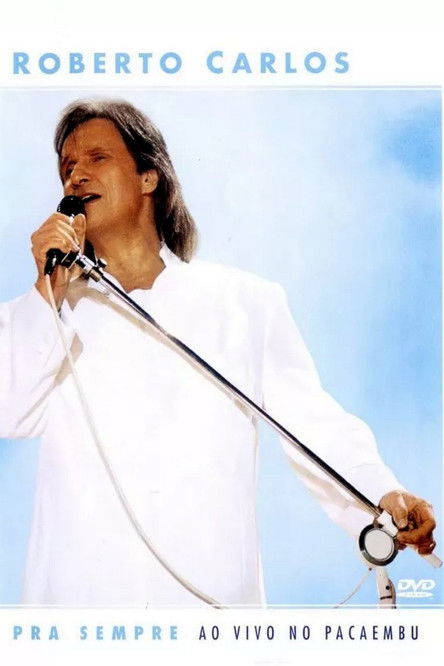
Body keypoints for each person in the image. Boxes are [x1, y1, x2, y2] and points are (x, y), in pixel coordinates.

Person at [0, 99, 437, 606]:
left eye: (97, 158)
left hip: (208, 605)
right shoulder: (43, 313)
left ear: (148, 176)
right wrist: (49, 290)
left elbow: (313, 424)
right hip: (78, 608)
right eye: (67, 166)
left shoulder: (245, 302)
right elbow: (9, 411)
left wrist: (381, 495)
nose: (76, 175)